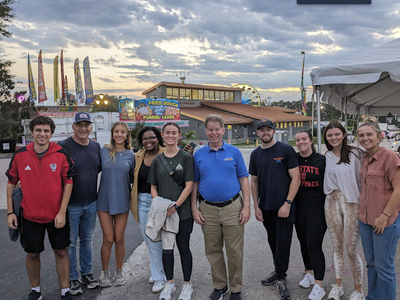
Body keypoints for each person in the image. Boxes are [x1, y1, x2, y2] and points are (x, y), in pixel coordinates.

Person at [6, 116, 74, 300]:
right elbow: (11, 183)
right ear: (32, 132)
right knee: (32, 253)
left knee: (61, 251)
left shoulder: (61, 153)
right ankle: (35, 290)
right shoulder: (20, 155)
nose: (42, 134)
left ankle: (65, 290)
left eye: (46, 131)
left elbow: (68, 182)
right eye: (38, 130)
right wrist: (10, 211)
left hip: (56, 215)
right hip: (29, 215)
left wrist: (61, 212)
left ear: (51, 133)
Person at [192, 114, 251, 300]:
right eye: (210, 129)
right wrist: (194, 208)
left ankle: (236, 288)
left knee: (234, 251)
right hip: (207, 208)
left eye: (217, 129)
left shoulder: (234, 152)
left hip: (232, 207)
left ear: (223, 130)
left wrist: (246, 206)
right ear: (206, 130)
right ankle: (220, 286)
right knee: (213, 250)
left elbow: (244, 179)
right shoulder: (199, 154)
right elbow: (195, 182)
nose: (214, 133)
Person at [249, 119, 300, 300]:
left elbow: (296, 179)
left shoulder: (286, 150)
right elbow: (254, 181)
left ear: (274, 131)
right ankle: (279, 271)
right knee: (273, 241)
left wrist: (288, 203)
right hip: (266, 206)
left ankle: (281, 278)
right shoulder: (255, 154)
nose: (265, 133)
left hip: (284, 206)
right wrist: (256, 206)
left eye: (268, 130)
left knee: (283, 243)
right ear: (258, 133)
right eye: (261, 130)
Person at [148, 122, 194, 300]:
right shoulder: (157, 160)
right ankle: (170, 283)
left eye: (174, 133)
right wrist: (160, 205)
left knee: (183, 248)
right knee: (167, 249)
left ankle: (187, 285)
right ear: (162, 134)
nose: (171, 136)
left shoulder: (186, 158)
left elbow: (189, 185)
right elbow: (153, 186)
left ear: (179, 135)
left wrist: (175, 206)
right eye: (167, 133)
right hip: (165, 214)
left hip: (182, 213)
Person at [357, 117, 400, 300]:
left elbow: (398, 188)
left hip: (384, 221)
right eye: (361, 135)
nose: (365, 138)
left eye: (369, 134)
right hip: (366, 221)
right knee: (372, 264)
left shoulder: (389, 156)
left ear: (379, 136)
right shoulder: (365, 157)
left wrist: (384, 216)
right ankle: (373, 297)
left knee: (384, 267)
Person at [58, 112, 101, 295]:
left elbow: (100, 169)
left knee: (87, 240)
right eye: (79, 125)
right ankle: (73, 277)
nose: (83, 128)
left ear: (91, 127)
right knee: (72, 243)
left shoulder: (96, 146)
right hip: (71, 204)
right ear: (73, 126)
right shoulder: (62, 147)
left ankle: (87, 273)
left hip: (91, 202)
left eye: (86, 124)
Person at [323, 122, 364, 300]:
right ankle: (337, 285)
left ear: (344, 135)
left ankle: (358, 290)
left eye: (337, 134)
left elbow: (362, 179)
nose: (333, 138)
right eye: (330, 135)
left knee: (351, 248)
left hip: (352, 202)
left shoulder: (356, 154)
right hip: (331, 201)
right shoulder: (327, 155)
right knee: (337, 246)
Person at [97, 121, 135, 287]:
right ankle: (104, 272)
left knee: (119, 238)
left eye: (122, 132)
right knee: (108, 238)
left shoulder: (130, 155)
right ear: (112, 134)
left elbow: (135, 179)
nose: (119, 135)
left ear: (127, 135)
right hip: (104, 201)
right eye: (116, 132)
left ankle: (119, 271)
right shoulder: (104, 151)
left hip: (122, 201)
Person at [130, 126, 167, 293]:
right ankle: (157, 271)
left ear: (158, 138)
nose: (149, 141)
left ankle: (160, 277)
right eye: (145, 139)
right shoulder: (138, 156)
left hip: (159, 202)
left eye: (152, 137)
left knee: (155, 240)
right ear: (140, 141)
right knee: (148, 239)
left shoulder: (166, 154)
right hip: (141, 201)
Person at [294, 130, 327, 300]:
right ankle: (309, 273)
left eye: (304, 139)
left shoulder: (322, 160)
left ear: (311, 140)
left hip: (317, 208)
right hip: (299, 208)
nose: (301, 142)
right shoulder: (294, 160)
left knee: (314, 245)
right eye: (298, 140)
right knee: (303, 244)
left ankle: (319, 285)